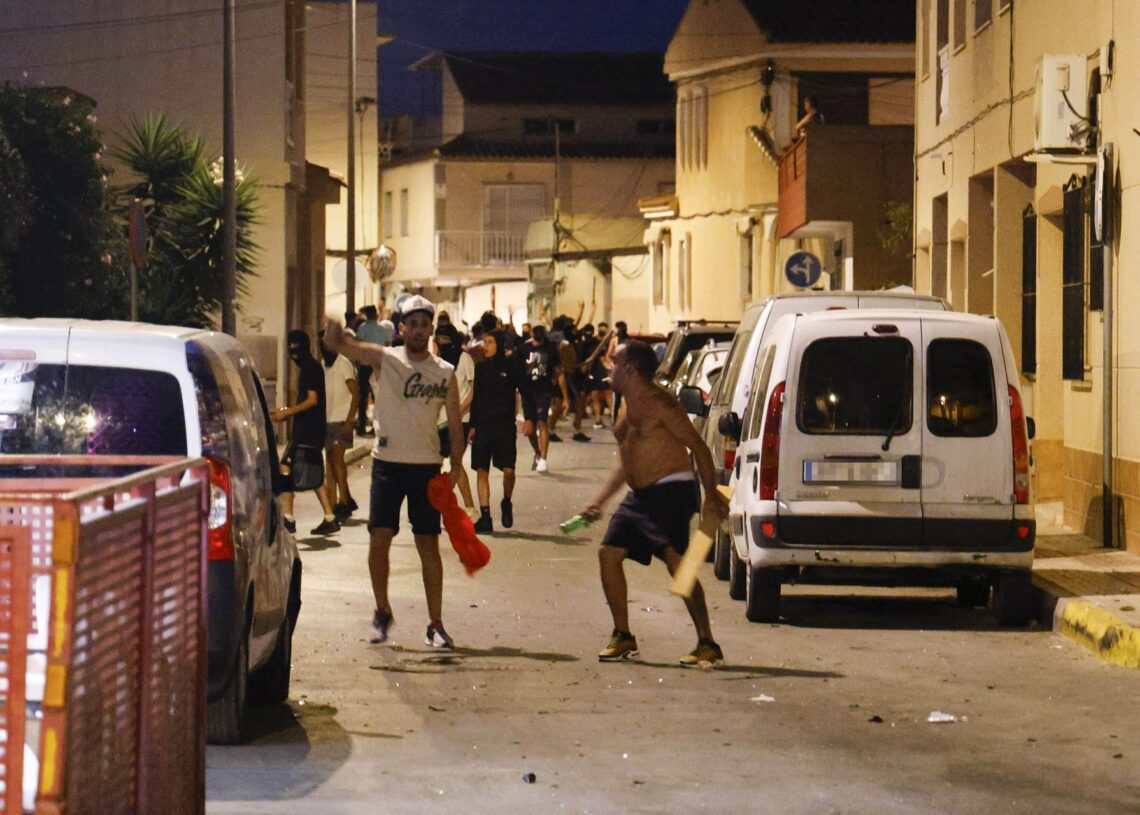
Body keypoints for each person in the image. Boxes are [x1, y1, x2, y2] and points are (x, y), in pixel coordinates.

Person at [324, 295, 466, 650]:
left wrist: (457, 464)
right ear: (401, 328)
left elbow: (455, 422)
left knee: (428, 544)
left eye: (424, 324)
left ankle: (435, 624)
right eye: (412, 324)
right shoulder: (387, 360)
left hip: (427, 467)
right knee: (380, 538)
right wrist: (333, 325)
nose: (418, 330)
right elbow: (339, 344)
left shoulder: (445, 372)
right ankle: (381, 610)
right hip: (387, 465)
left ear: (432, 328)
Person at [580, 340, 729, 668]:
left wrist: (713, 496)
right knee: (609, 554)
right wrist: (599, 500)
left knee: (680, 568)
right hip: (641, 497)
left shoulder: (661, 403)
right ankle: (623, 635)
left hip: (671, 492)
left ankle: (707, 642)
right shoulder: (626, 404)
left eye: (615, 363)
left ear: (630, 369)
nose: (610, 368)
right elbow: (627, 460)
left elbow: (699, 448)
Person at [272, 329, 341, 536]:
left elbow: (312, 400)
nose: (293, 352)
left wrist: (287, 413)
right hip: (309, 431)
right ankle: (326, 517)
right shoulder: (310, 367)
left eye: (296, 347)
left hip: (308, 432)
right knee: (308, 472)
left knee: (287, 468)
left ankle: (289, 518)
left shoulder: (310, 368)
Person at [468, 331, 535, 533]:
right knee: (481, 470)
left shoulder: (512, 366)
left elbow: (526, 391)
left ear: (499, 344)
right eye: (484, 342)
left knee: (509, 470)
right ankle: (485, 516)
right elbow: (476, 399)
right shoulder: (480, 368)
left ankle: (506, 501)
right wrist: (472, 425)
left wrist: (530, 418)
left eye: (490, 342)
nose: (485, 346)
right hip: (483, 426)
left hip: (505, 426)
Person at [319, 331, 359, 521]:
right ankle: (337, 502)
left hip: (341, 419)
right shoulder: (323, 365)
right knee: (330, 464)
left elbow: (355, 392)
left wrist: (350, 420)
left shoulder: (343, 363)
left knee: (337, 461)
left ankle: (344, 501)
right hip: (327, 419)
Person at [523, 323, 568, 473]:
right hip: (528, 392)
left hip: (544, 391)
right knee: (529, 427)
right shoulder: (524, 348)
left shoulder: (551, 349)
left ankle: (543, 458)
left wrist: (565, 397)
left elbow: (559, 372)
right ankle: (537, 452)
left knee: (542, 422)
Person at [438, 339, 477, 514]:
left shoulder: (464, 359)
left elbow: (473, 391)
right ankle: (435, 503)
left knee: (456, 463)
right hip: (441, 421)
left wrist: (457, 411)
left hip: (462, 419)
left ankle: (468, 507)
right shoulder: (436, 363)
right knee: (435, 463)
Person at [354, 305, 392, 435]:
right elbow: (387, 345)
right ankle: (379, 426)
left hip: (365, 365)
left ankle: (361, 426)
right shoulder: (382, 329)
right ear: (375, 315)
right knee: (379, 396)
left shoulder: (363, 328)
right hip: (378, 365)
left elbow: (357, 344)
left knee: (363, 396)